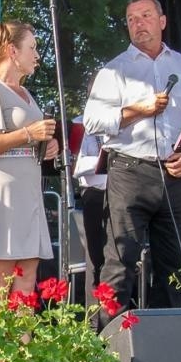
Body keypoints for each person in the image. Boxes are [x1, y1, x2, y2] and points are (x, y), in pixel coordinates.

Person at [84, 0, 181, 311]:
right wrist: (138, 110)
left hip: (175, 172)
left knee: (176, 265)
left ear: (162, 21)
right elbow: (92, 120)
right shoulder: (114, 71)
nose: (138, 23)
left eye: (146, 15)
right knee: (120, 262)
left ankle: (166, 344)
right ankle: (107, 348)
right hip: (129, 172)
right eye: (131, 19)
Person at [0, 21, 58, 309]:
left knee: (26, 284)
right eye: (31, 48)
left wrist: (45, 148)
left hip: (28, 193)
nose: (37, 55)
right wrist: (29, 134)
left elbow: (25, 143)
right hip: (1, 194)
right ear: (12, 51)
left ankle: (23, 352)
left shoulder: (27, 94)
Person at [72, 118, 108, 297]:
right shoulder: (79, 124)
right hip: (94, 193)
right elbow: (75, 164)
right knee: (95, 257)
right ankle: (95, 319)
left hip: (121, 191)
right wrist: (109, 157)